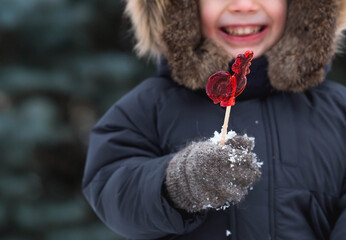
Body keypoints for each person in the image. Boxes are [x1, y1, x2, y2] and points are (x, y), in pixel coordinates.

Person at [82, 0, 346, 239]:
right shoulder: (147, 107)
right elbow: (111, 187)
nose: (244, 6)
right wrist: (178, 184)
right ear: (181, 9)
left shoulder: (339, 111)